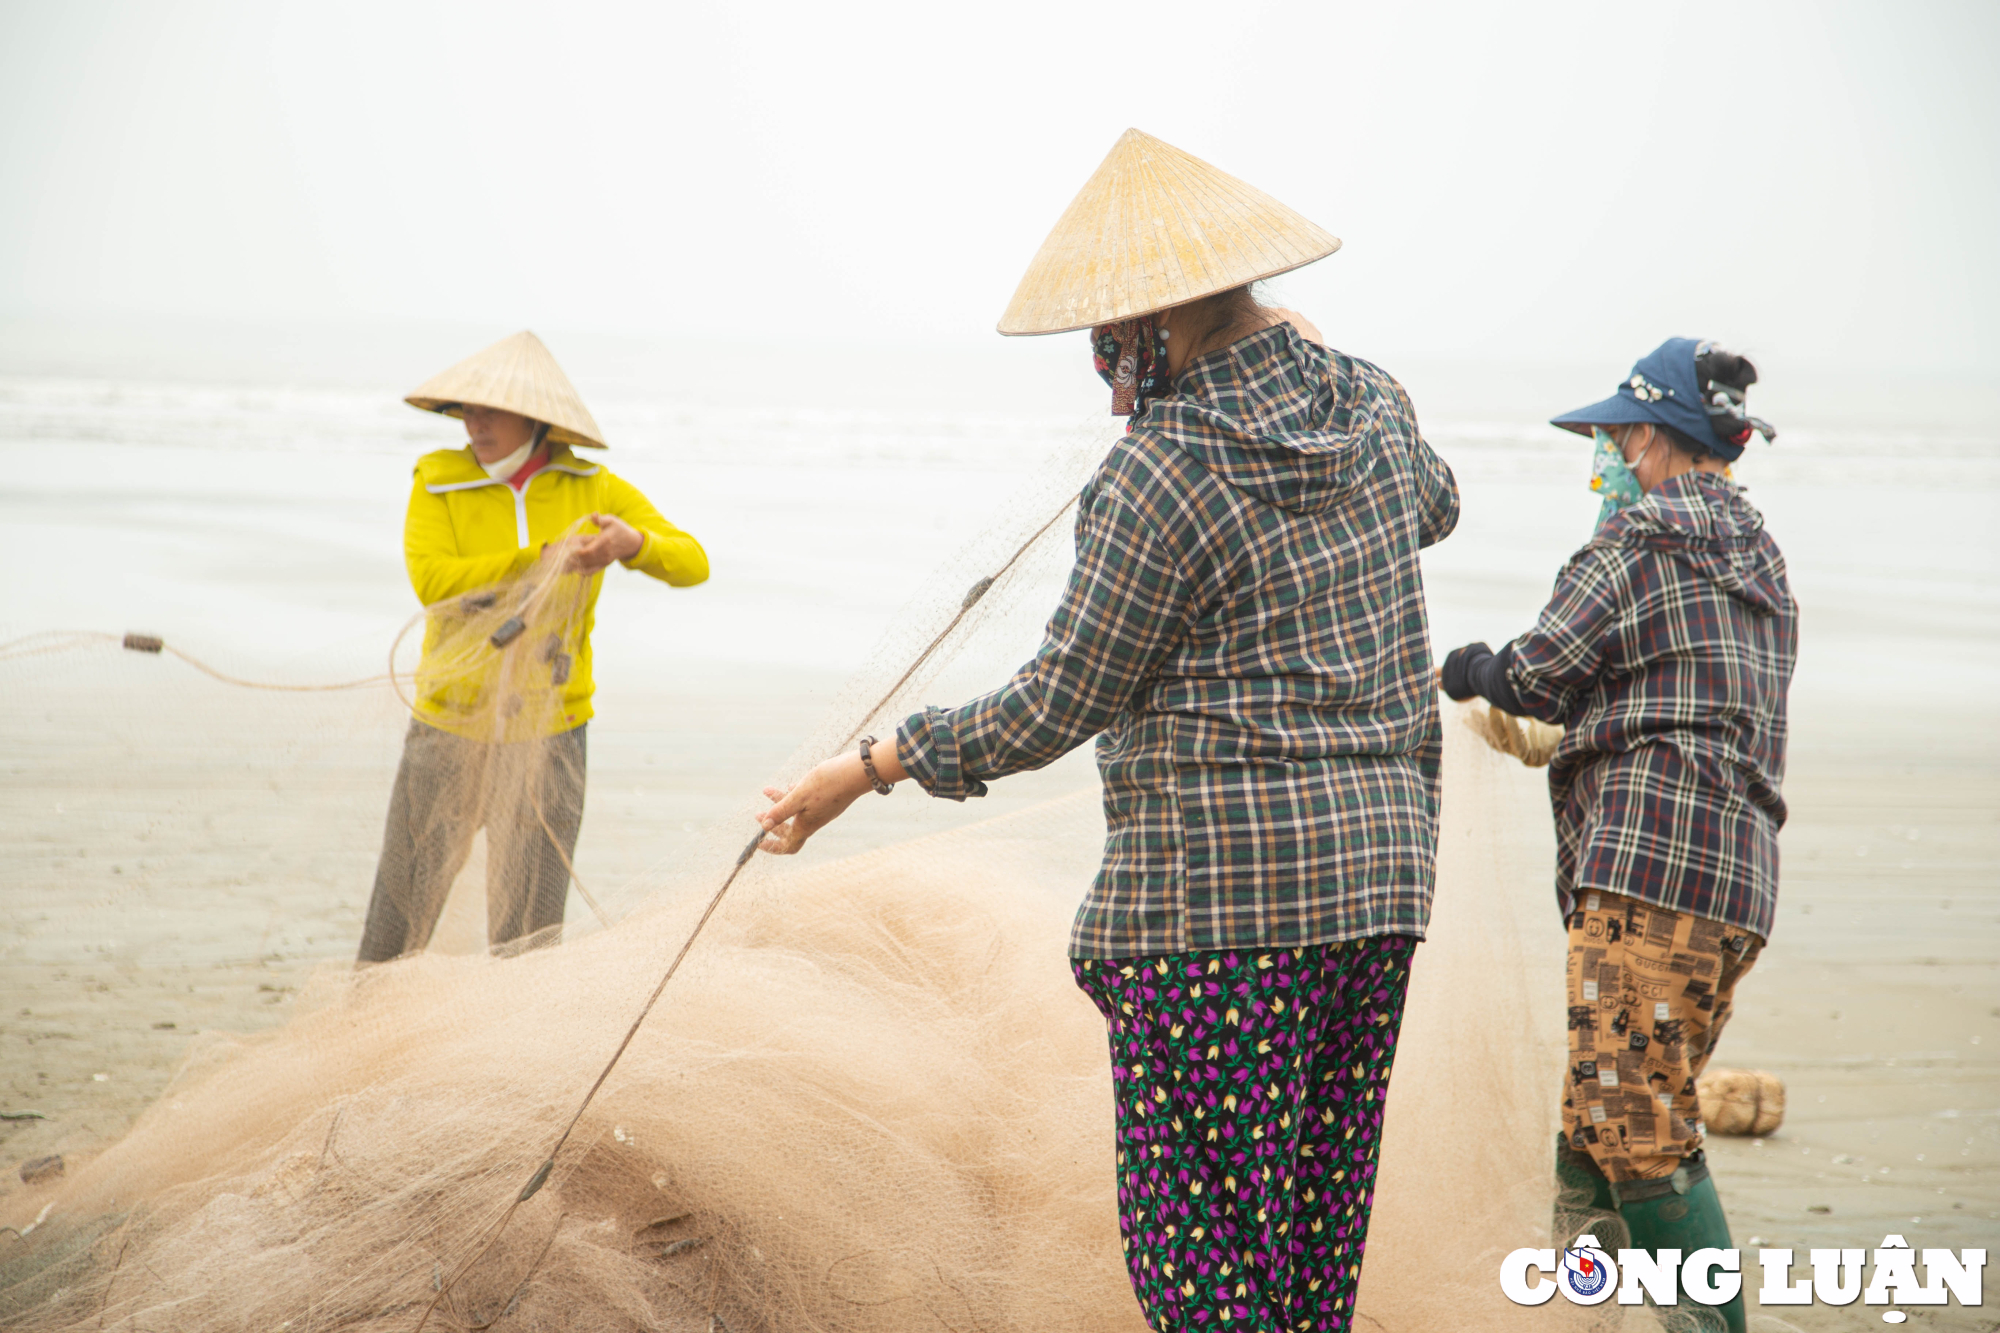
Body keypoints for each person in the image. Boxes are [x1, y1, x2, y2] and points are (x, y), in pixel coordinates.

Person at [756, 129, 1459, 1333]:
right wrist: (1321, 362)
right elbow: (1437, 506)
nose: (1103, 367)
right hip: (1379, 893)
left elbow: (1058, 700)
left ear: (1151, 323)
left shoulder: (1162, 470)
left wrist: (867, 769)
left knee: (1201, 1276)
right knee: (1309, 1251)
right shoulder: (1376, 406)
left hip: (1222, 921)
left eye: (1106, 342)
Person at [1441, 339, 1794, 1333]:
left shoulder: (1632, 544)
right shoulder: (1758, 555)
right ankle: (1583, 1318)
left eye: (1607, 435)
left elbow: (1535, 677)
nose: (1601, 453)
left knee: (1637, 1125)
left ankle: (1704, 1327)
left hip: (1643, 870)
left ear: (1649, 434)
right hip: (1734, 885)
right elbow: (1677, 685)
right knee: (1592, 1116)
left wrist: (1467, 667)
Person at [356, 330, 708, 963]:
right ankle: (356, 1039)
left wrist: (632, 545)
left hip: (552, 729)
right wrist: (538, 559)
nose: (474, 421)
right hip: (449, 725)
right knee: (398, 919)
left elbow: (692, 564)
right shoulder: (437, 481)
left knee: (530, 936)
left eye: (491, 408)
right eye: (466, 408)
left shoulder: (593, 488)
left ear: (536, 419)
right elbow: (433, 581)